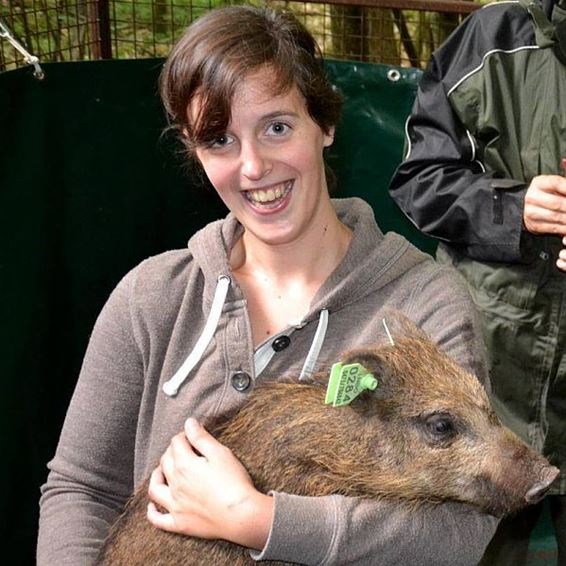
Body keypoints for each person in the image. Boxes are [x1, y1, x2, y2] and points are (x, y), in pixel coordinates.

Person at [37, 6, 497, 565]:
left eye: (276, 127)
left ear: (324, 124)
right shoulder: (152, 298)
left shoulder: (423, 306)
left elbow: (462, 530)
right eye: (221, 141)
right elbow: (81, 490)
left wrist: (258, 520)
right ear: (194, 150)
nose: (253, 167)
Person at [389, 0, 566, 563]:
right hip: (490, 363)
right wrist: (515, 210)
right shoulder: (494, 36)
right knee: (476, 548)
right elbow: (421, 181)